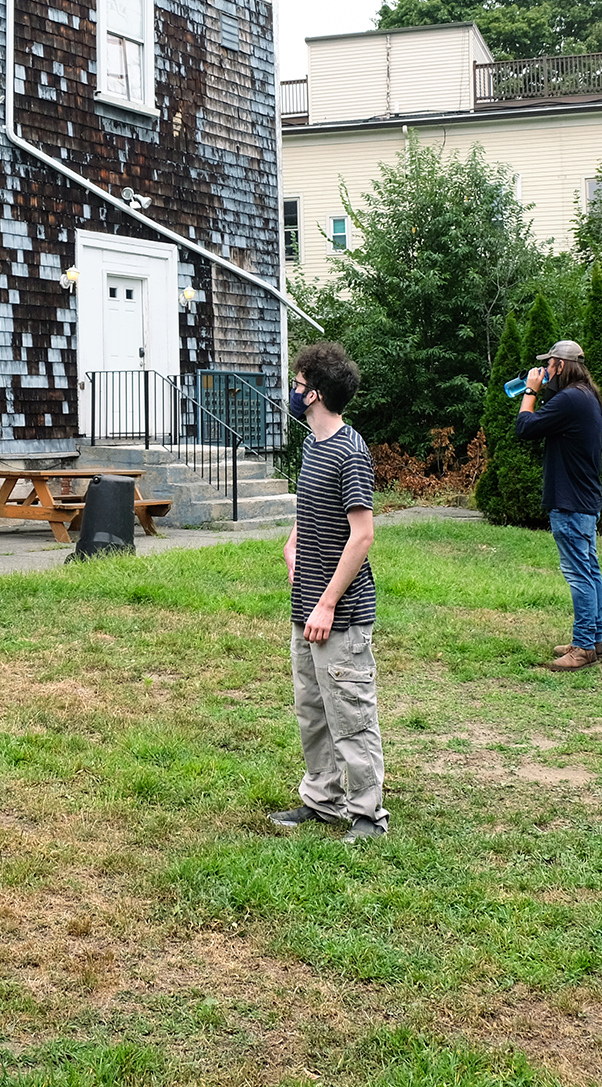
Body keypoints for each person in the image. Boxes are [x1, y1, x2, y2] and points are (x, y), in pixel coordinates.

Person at [268, 341, 386, 842]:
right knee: (313, 711)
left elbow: (362, 535)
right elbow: (314, 511)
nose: (293, 392)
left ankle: (367, 816)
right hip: (307, 606)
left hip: (338, 612)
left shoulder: (349, 452)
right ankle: (322, 801)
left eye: (297, 384)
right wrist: (294, 542)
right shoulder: (314, 447)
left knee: (351, 715)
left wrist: (328, 602)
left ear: (314, 394)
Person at [516, 339, 602, 671]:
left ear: (561, 366)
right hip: (585, 498)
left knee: (579, 574)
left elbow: (525, 427)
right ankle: (592, 639)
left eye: (549, 365)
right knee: (590, 571)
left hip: (569, 502)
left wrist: (530, 391)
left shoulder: (570, 399)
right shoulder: (588, 397)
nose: (545, 371)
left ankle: (583, 647)